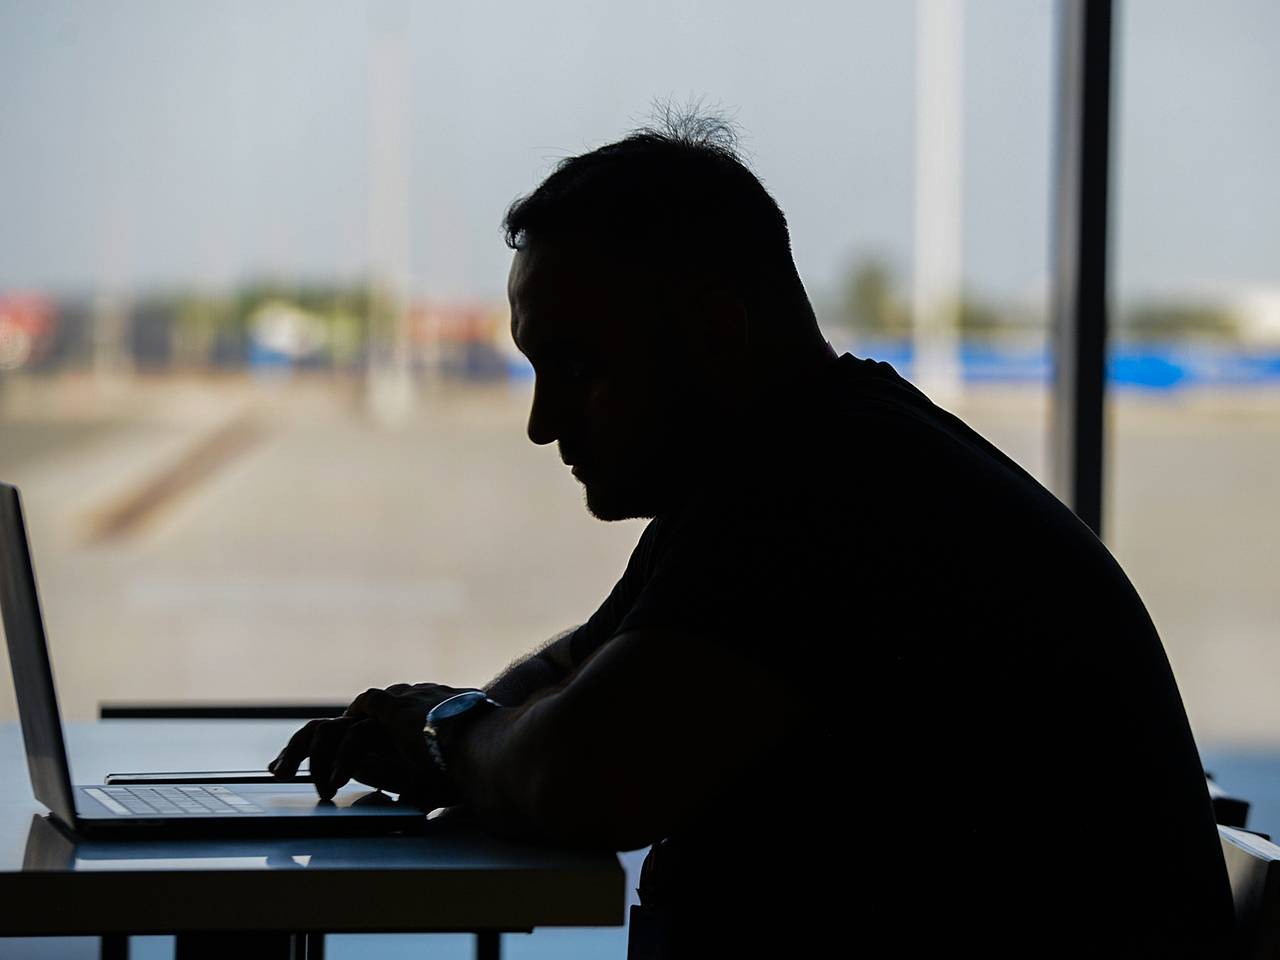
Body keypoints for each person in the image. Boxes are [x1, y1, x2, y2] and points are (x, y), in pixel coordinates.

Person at [271, 114, 1235, 957]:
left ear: (716, 335)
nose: (543, 422)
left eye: (579, 368)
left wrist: (448, 737)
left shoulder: (828, 494)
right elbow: (579, 668)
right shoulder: (797, 459)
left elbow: (585, 771)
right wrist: (452, 725)